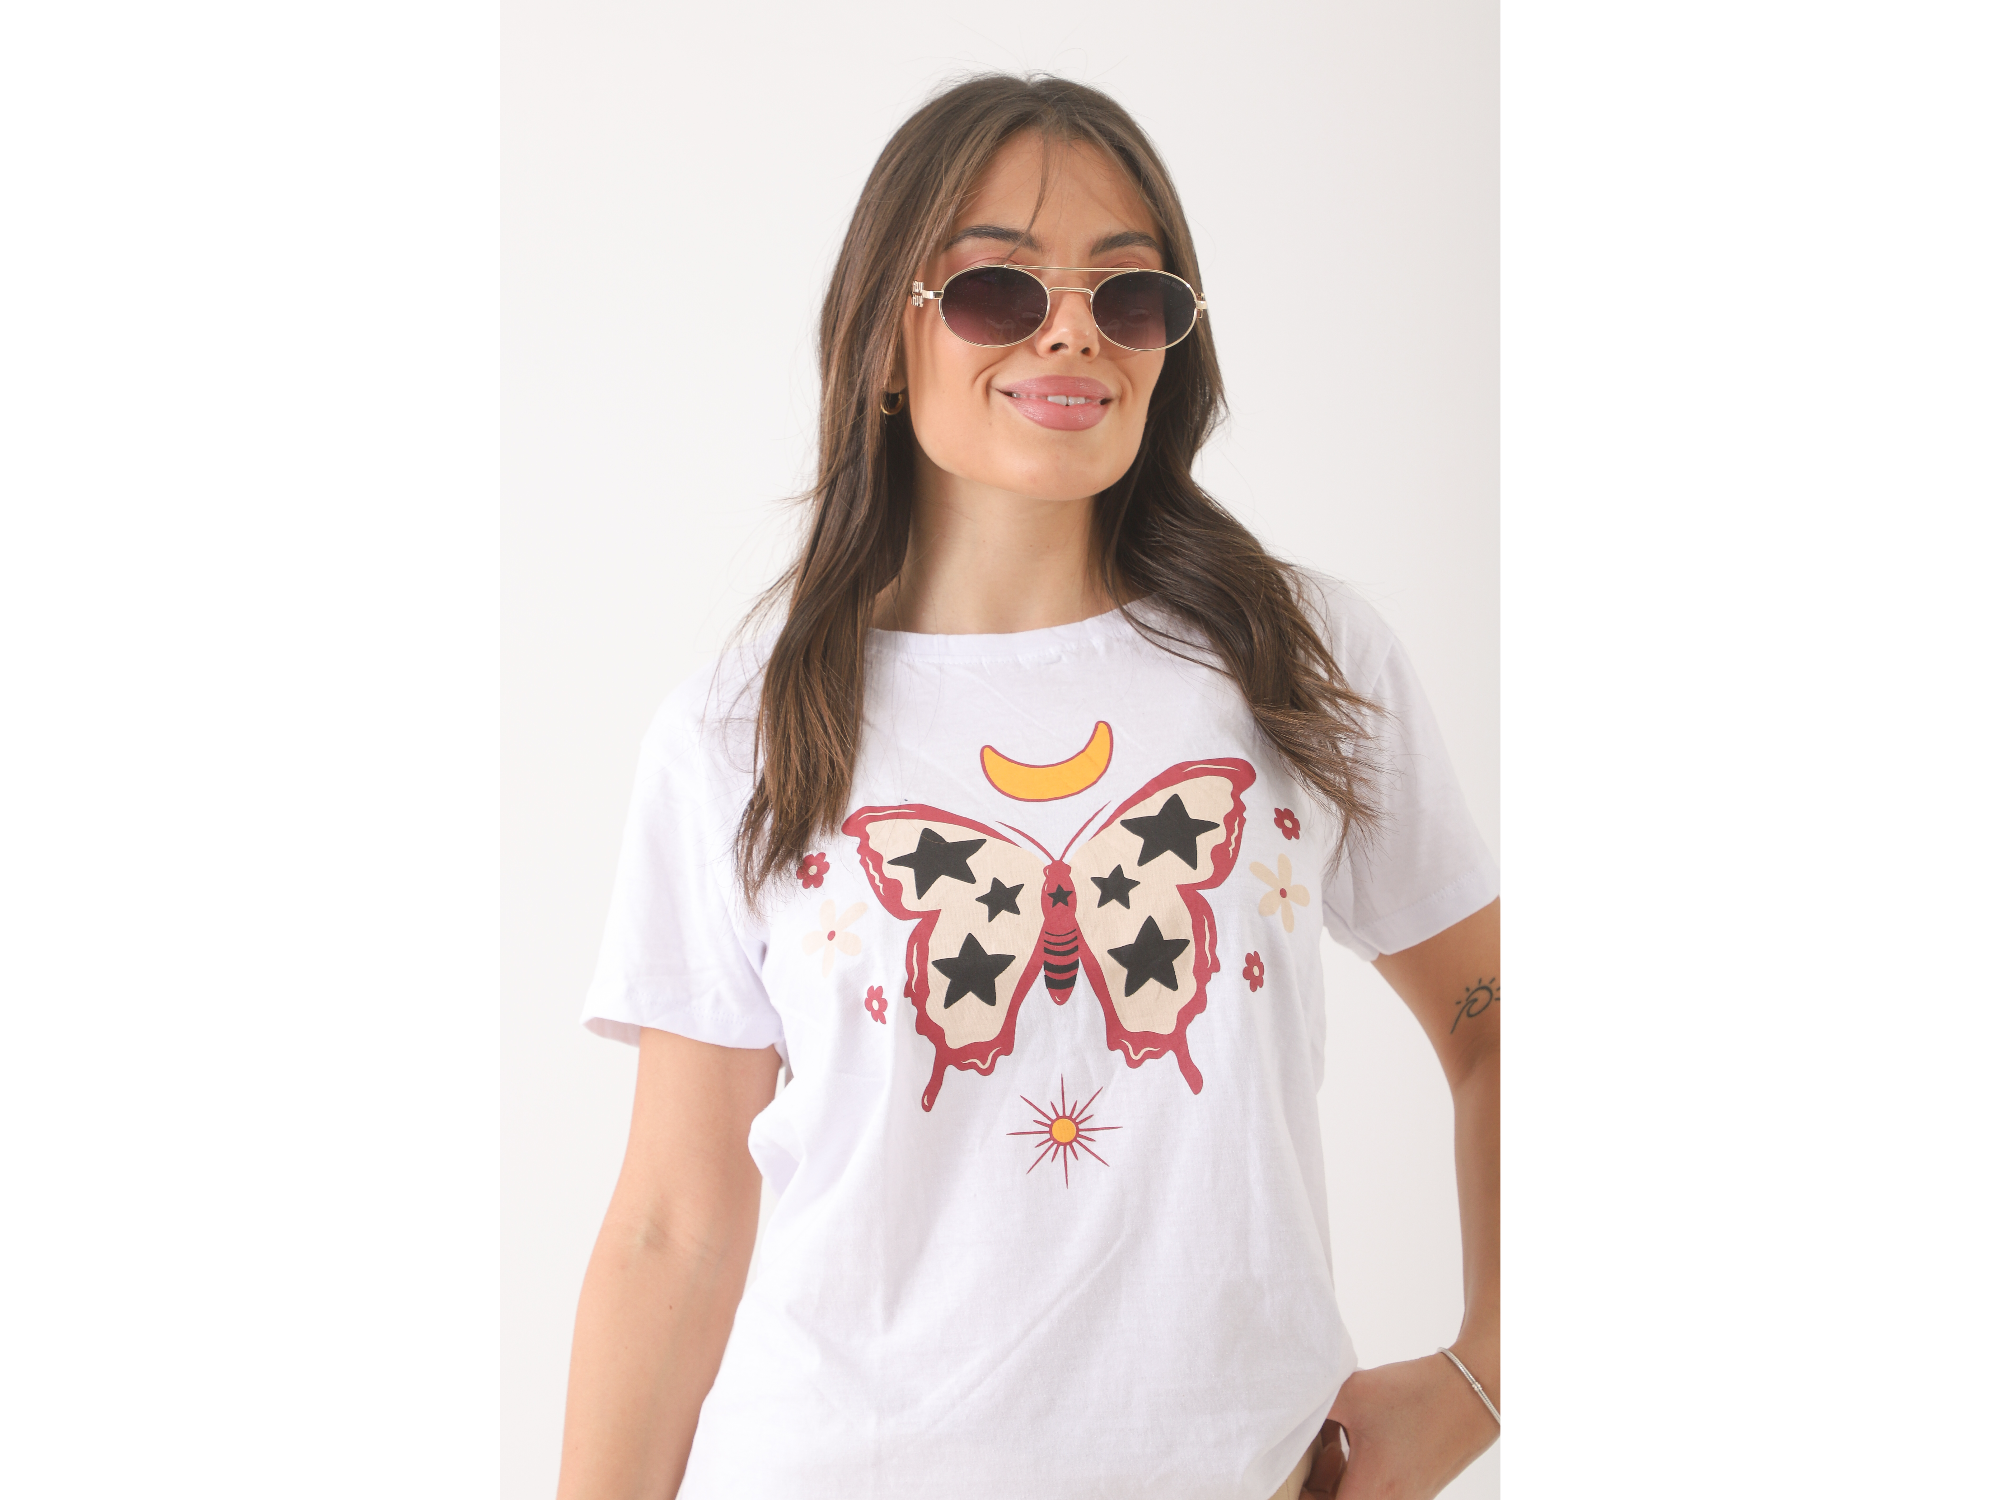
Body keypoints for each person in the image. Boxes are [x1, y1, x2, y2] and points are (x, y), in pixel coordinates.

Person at [557, 74, 1499, 1500]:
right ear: (888, 339)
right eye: (998, 288)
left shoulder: (1295, 660)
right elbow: (673, 1226)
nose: (1072, 331)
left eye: (1129, 297)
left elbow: (1488, 1018)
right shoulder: (743, 728)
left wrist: (1487, 1374)